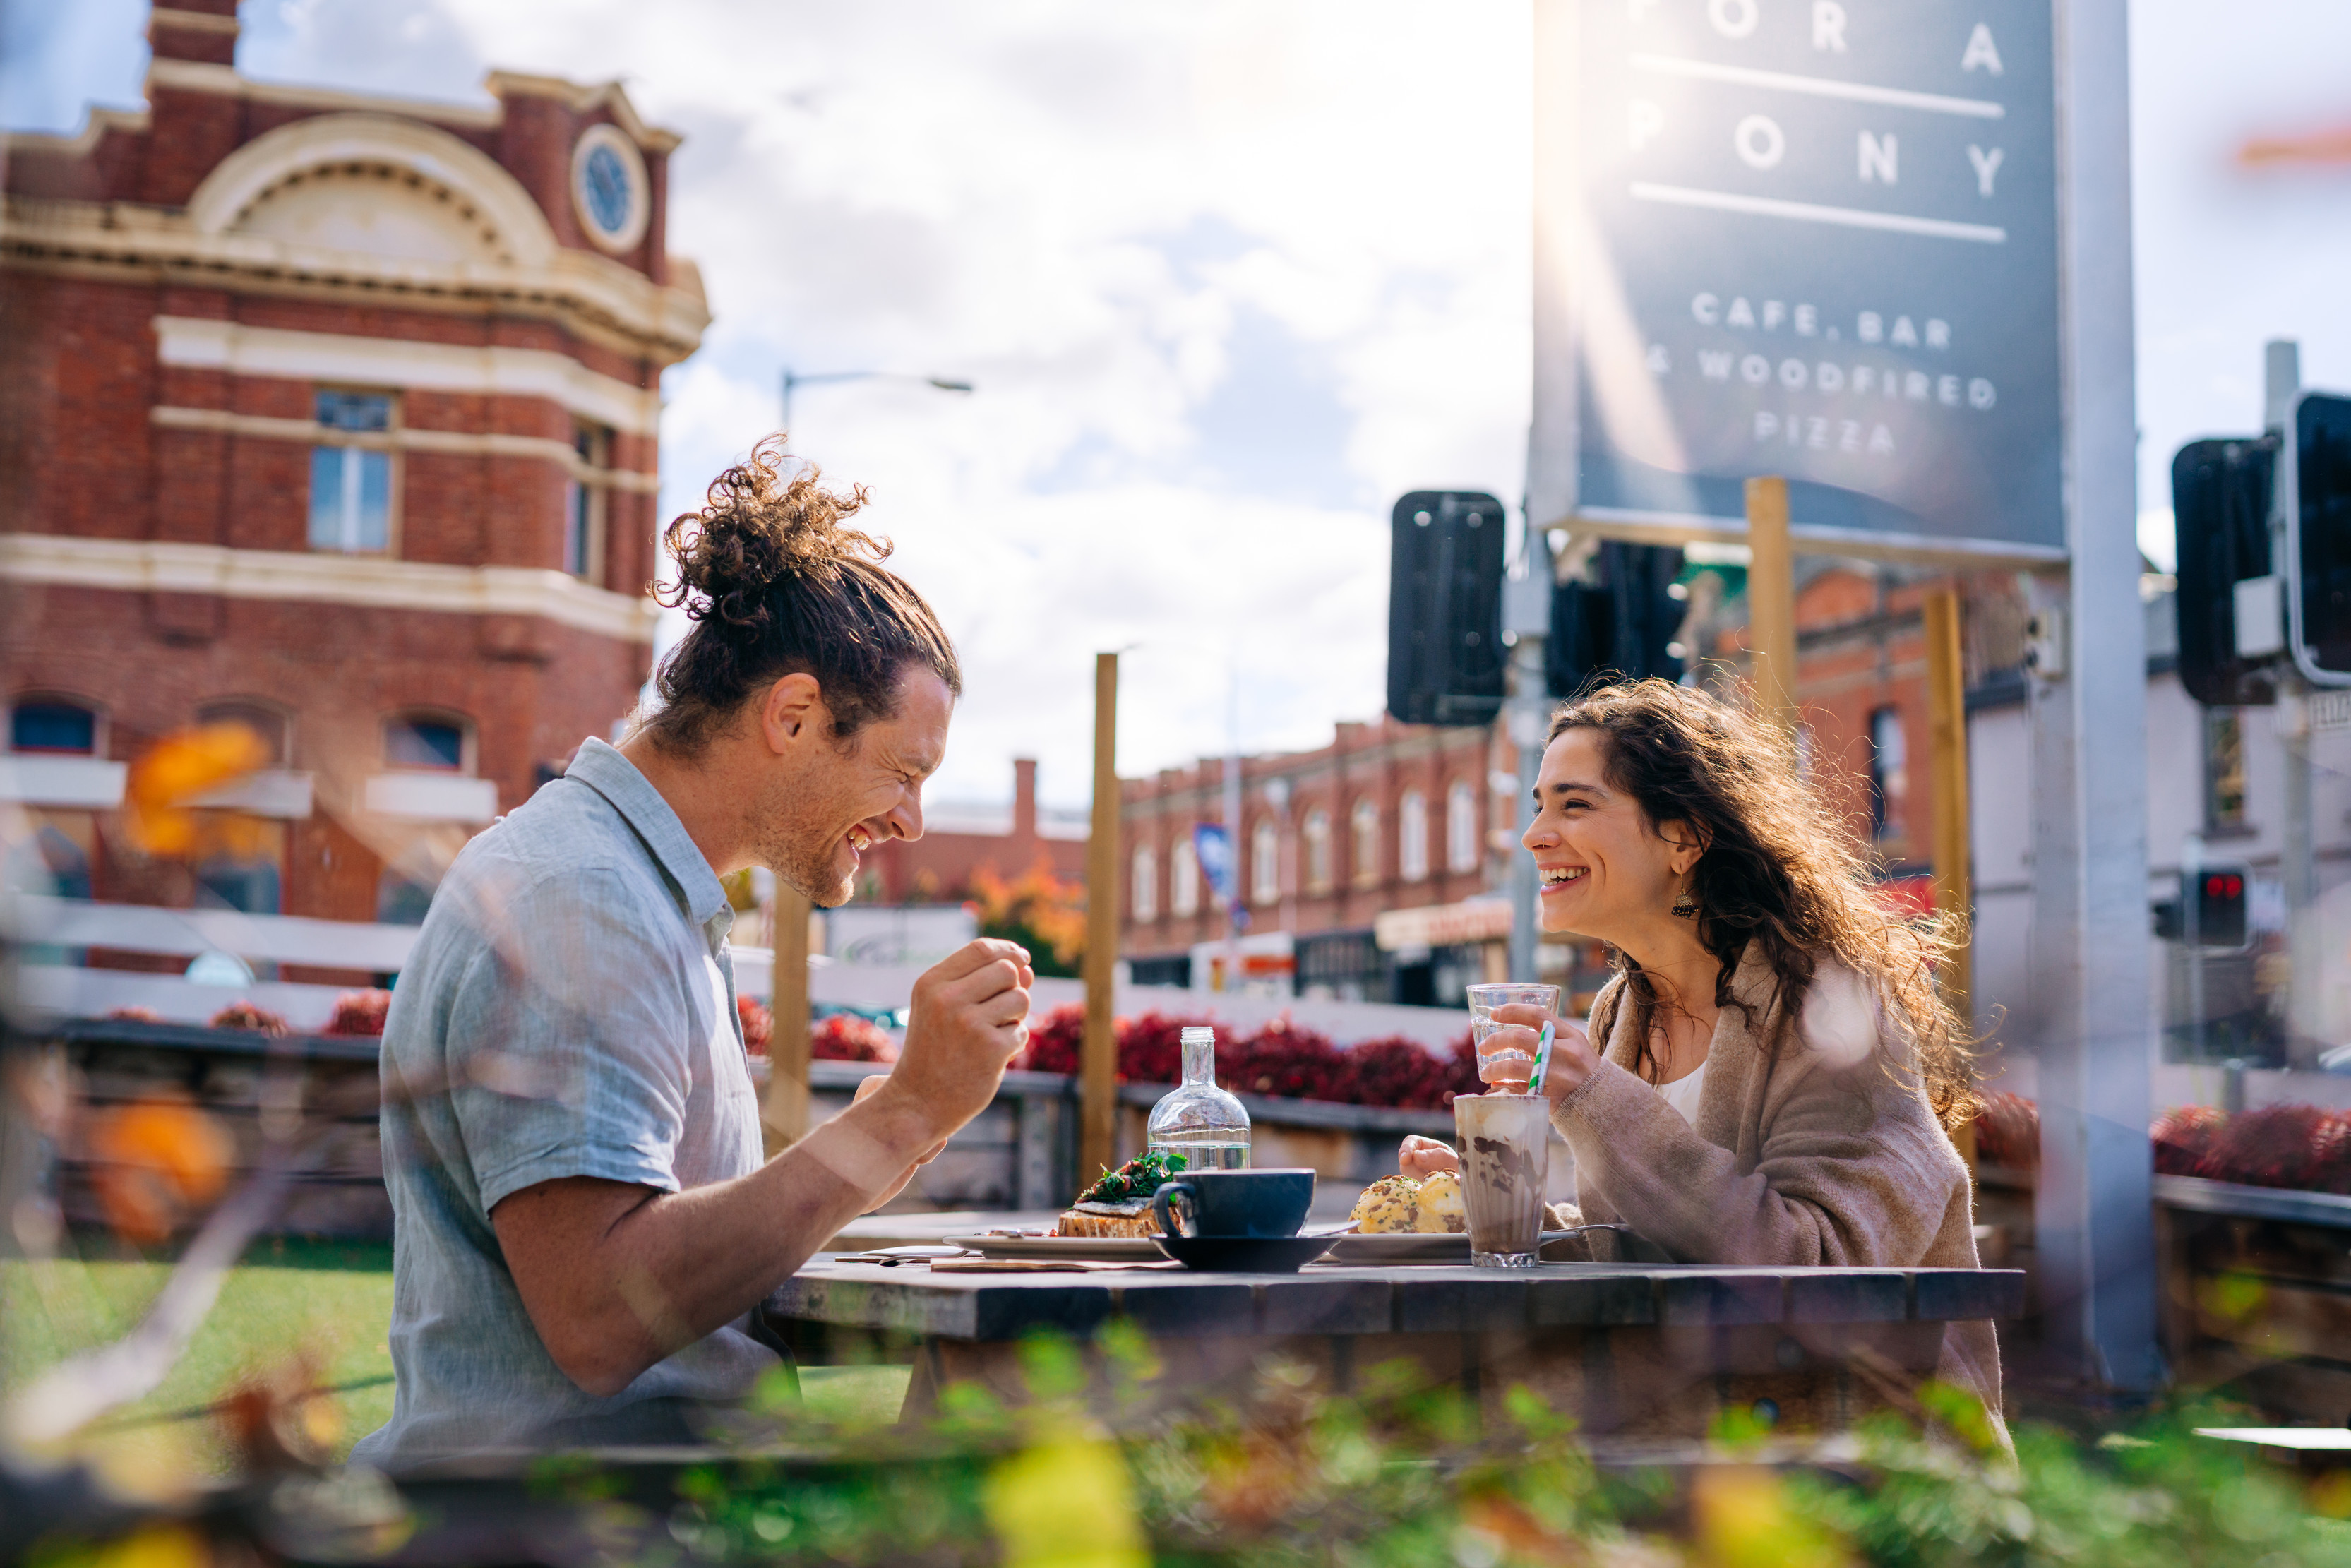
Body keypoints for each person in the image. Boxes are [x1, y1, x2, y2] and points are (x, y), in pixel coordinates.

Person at [354, 438, 1029, 1466]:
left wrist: (903, 1123)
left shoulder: (640, 891)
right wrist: (903, 1116)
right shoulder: (582, 900)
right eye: (902, 771)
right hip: (580, 1525)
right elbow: (598, 1315)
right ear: (794, 717)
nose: (913, 822)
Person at [1400, 678, 2002, 1431]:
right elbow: (1657, 1241)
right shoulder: (1624, 1010)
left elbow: (1821, 1270)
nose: (1535, 834)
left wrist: (1597, 1100)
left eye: (1575, 804)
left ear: (1684, 837)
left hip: (1870, 1470)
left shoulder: (1825, 1004)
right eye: (1539, 804)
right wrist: (1482, 1204)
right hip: (1703, 1449)